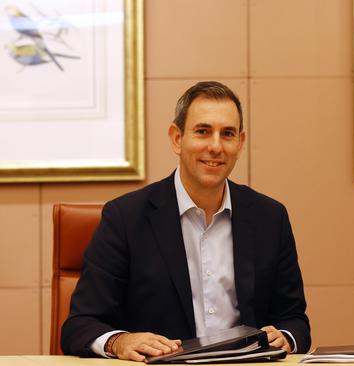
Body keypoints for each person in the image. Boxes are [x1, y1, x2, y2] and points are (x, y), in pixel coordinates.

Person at [61, 81, 311, 361]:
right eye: (203, 131)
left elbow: (294, 321)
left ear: (240, 143)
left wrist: (285, 337)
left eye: (227, 134)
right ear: (176, 138)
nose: (216, 146)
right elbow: (79, 326)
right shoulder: (125, 217)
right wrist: (119, 341)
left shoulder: (270, 217)